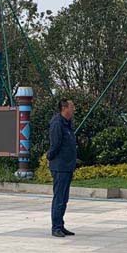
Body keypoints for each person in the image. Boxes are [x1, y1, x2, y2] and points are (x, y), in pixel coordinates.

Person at [47, 99, 77, 237]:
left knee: (64, 198)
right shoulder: (57, 123)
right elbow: (55, 144)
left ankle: (61, 224)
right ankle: (56, 227)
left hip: (68, 166)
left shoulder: (67, 123)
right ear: (65, 108)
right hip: (60, 166)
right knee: (59, 198)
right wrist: (50, 156)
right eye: (72, 107)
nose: (74, 109)